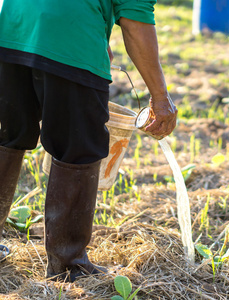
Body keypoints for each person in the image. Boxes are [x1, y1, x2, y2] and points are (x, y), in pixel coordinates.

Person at [0, 0, 177, 282]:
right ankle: (68, 265)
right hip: (70, 41)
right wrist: (160, 97)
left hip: (12, 30)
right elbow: (135, 21)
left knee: (7, 135)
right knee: (79, 147)